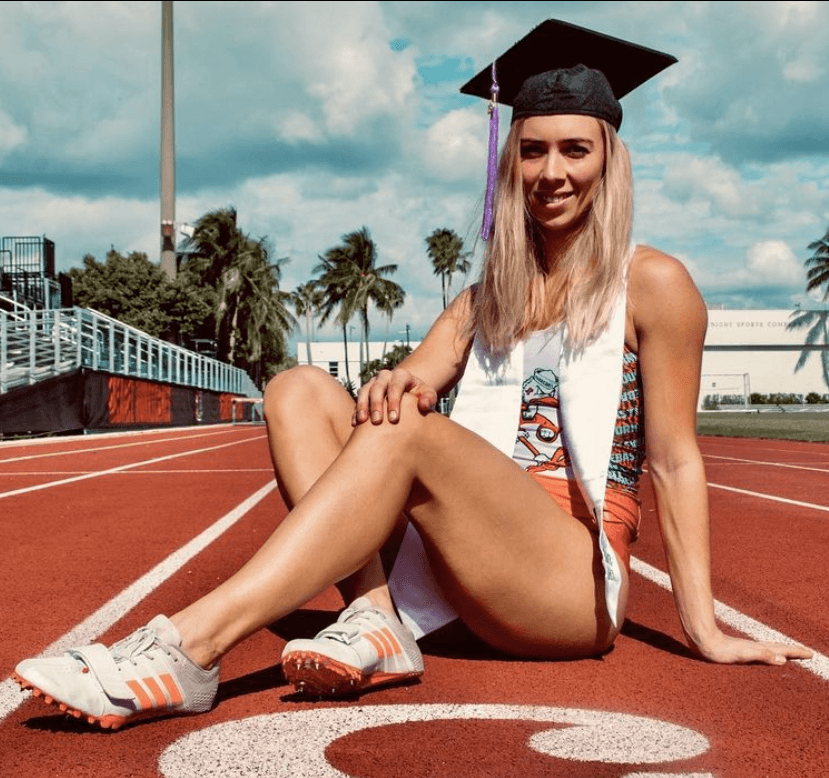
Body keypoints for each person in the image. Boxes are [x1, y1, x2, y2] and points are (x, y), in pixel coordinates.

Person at [14, 19, 810, 730]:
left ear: (609, 160)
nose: (551, 171)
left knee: (410, 438)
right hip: (463, 555)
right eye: (531, 149)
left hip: (566, 579)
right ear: (510, 163)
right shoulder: (481, 299)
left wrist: (702, 627)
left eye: (575, 148)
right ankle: (372, 619)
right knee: (298, 390)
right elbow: (417, 380)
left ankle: (189, 646)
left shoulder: (654, 285)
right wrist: (403, 380)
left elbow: (674, 460)